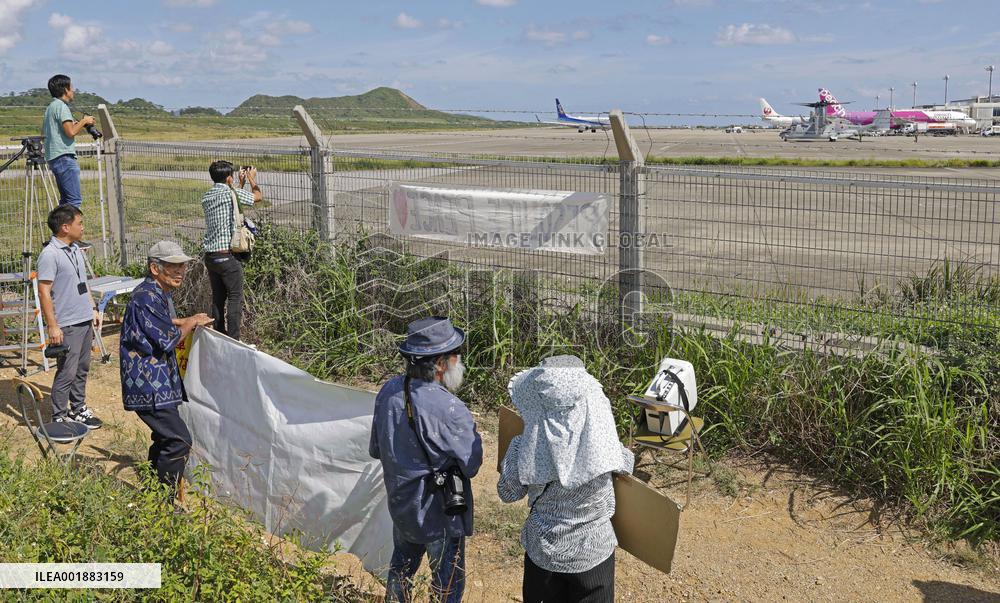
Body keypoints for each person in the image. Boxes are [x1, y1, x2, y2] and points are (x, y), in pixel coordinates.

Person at [498, 355, 634, 603]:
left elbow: (508, 493)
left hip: (544, 552)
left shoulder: (523, 447)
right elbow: (626, 464)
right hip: (594, 552)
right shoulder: (603, 446)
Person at [369, 317, 483, 603]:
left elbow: (376, 449)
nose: (460, 361)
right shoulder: (451, 409)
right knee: (447, 584)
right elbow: (471, 464)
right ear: (441, 364)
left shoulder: (389, 391)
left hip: (402, 506)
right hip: (439, 514)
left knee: (400, 571)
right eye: (457, 355)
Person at [120, 241, 213, 498]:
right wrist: (191, 322)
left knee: (164, 438)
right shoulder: (146, 297)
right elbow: (168, 340)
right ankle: (164, 501)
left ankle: (153, 493)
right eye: (173, 266)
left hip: (157, 383)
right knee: (179, 440)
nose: (180, 271)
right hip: (148, 386)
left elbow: (157, 323)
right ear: (154, 268)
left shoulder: (154, 293)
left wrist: (181, 321)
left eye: (182, 265)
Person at [36, 204, 103, 428]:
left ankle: (78, 408)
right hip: (67, 323)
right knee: (67, 370)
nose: (82, 227)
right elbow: (44, 291)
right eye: (79, 223)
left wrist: (92, 307)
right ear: (65, 227)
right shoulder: (49, 255)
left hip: (83, 317)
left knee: (82, 367)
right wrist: (53, 326)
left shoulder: (75, 249)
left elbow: (82, 283)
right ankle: (58, 416)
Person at [201, 160, 262, 340]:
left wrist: (238, 184)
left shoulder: (206, 196)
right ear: (229, 178)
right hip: (228, 257)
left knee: (218, 300)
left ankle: (220, 336)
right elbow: (257, 197)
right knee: (235, 298)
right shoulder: (231, 192)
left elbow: (232, 201)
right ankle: (234, 339)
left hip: (211, 257)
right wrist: (251, 179)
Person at [42, 74, 96, 208]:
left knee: (65, 202)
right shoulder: (62, 107)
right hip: (64, 157)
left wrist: (76, 124)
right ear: (66, 89)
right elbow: (70, 132)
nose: (73, 90)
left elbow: (57, 130)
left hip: (55, 157)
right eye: (71, 87)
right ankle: (70, 229)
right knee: (74, 201)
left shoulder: (51, 107)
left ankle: (59, 228)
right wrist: (84, 121)